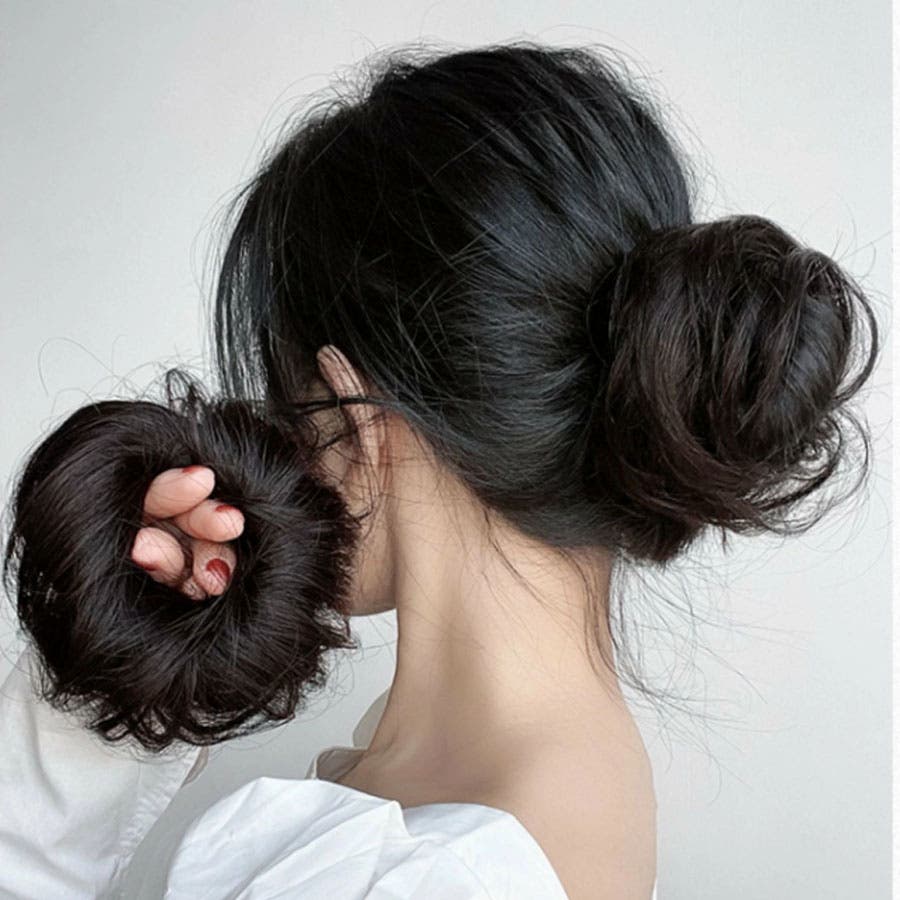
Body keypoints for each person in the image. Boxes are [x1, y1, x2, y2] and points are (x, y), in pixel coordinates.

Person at [0, 39, 879, 900]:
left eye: (282, 394)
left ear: (347, 408)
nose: (274, 445)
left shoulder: (406, 876)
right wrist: (134, 667)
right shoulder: (539, 787)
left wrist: (80, 718)